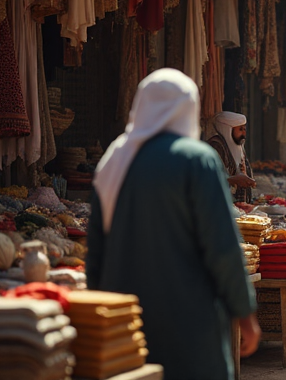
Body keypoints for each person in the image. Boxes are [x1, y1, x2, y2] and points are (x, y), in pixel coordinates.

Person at [87, 69, 259, 379]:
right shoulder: (198, 159)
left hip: (126, 323)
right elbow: (222, 245)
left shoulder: (112, 160)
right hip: (189, 317)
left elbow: (95, 252)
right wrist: (244, 311)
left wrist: (96, 319)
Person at [206, 111, 256, 204]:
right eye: (240, 129)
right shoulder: (215, 147)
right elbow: (207, 180)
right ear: (228, 129)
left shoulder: (239, 147)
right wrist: (232, 179)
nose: (244, 134)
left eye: (245, 129)